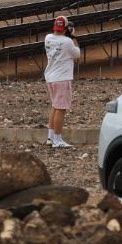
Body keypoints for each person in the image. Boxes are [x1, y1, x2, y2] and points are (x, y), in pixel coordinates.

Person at [43, 16, 80, 150]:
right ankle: (57, 140)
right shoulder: (67, 42)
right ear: (66, 29)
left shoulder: (47, 38)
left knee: (55, 106)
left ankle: (50, 136)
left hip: (50, 77)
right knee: (61, 109)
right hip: (62, 78)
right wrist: (73, 36)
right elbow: (77, 54)